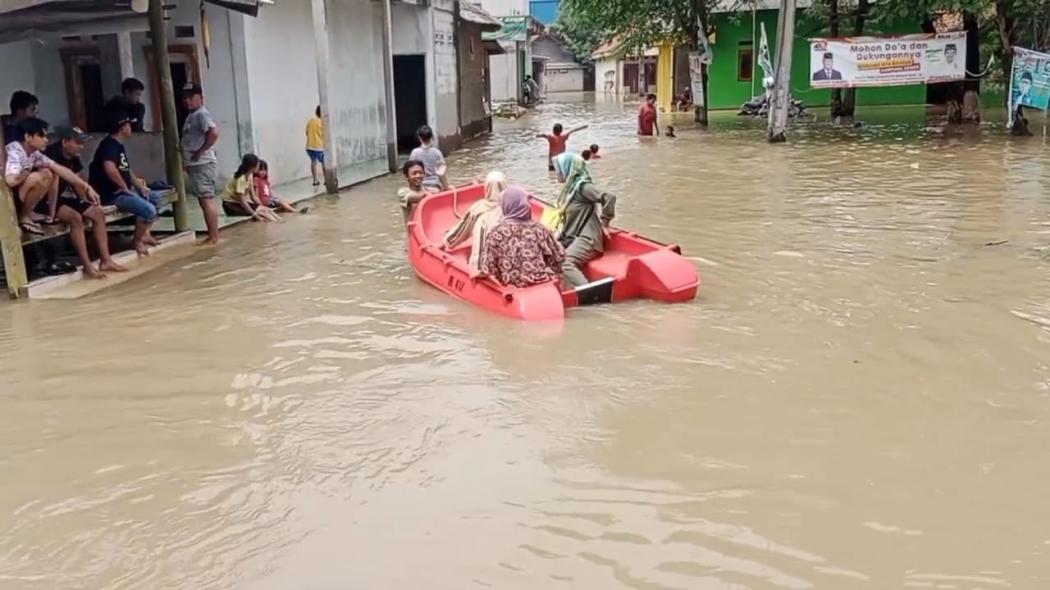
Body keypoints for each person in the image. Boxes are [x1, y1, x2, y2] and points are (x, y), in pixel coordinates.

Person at [41, 127, 128, 278]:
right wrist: (52, 212)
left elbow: (78, 182)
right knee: (75, 218)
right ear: (65, 142)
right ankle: (87, 265)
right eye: (78, 143)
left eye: (83, 143)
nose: (82, 146)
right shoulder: (49, 155)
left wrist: (85, 201)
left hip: (61, 198)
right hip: (44, 201)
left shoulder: (74, 156)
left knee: (97, 212)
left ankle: (106, 260)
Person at [89, 111, 168, 256]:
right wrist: (124, 187)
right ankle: (137, 242)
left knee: (155, 198)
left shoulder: (119, 145)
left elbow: (126, 170)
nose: (131, 128)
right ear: (123, 128)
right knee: (149, 210)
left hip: (125, 190)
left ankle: (145, 234)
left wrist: (140, 187)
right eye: (129, 125)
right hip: (113, 194)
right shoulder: (109, 145)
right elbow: (110, 168)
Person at [5, 118, 99, 237]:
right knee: (39, 177)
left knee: (51, 173)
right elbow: (10, 181)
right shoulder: (15, 151)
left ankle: (42, 215)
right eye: (42, 136)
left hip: (19, 196)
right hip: (8, 203)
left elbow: (60, 170)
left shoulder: (34, 153)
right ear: (28, 137)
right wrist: (26, 173)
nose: (46, 139)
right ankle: (24, 216)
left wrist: (86, 187)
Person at [550, 152, 617, 288]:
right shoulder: (570, 189)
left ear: (567, 168)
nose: (556, 172)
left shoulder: (582, 187)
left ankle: (590, 292)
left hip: (587, 238)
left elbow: (609, 197)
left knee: (565, 263)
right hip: (572, 236)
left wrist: (605, 223)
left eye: (558, 168)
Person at [478, 186, 565, 288]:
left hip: (513, 286)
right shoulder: (540, 229)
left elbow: (489, 268)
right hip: (544, 282)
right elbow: (559, 257)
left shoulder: (496, 233)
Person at [181, 83, 221, 244]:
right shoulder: (193, 115)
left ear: (200, 98)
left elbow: (214, 133)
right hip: (197, 165)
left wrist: (200, 151)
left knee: (206, 199)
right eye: (185, 97)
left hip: (202, 164)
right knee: (203, 199)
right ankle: (212, 235)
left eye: (191, 97)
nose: (187, 100)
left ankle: (214, 237)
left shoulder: (201, 114)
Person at [443, 171, 508, 267]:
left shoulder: (478, 208)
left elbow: (459, 234)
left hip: (480, 266)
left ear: (487, 188)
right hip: (506, 266)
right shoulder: (512, 209)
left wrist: (447, 241)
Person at [221, 153, 280, 222]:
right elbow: (242, 201)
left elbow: (253, 196)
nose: (258, 167)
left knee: (266, 210)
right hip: (230, 205)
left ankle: (280, 221)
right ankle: (274, 223)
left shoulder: (250, 176)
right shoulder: (241, 179)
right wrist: (255, 215)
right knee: (262, 213)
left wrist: (262, 206)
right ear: (252, 167)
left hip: (238, 203)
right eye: (258, 165)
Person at [408, 125, 447, 191]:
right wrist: (446, 187)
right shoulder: (437, 152)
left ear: (419, 138)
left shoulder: (414, 153)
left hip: (419, 187)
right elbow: (442, 173)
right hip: (435, 186)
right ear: (432, 137)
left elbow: (409, 173)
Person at [305, 105, 325, 187]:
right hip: (319, 147)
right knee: (324, 162)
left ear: (316, 112)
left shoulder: (311, 121)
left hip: (309, 146)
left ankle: (315, 180)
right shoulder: (323, 123)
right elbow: (324, 135)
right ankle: (327, 179)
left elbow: (306, 132)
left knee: (313, 162)